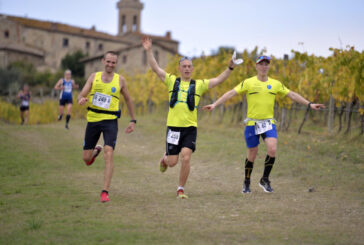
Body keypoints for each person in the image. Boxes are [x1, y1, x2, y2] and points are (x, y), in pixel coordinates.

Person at [203, 55, 325, 193]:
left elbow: (292, 95)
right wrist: (215, 104)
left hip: (268, 123)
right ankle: (247, 181)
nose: (264, 66)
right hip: (252, 123)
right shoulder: (248, 82)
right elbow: (231, 93)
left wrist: (310, 104)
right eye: (261, 64)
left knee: (272, 149)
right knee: (252, 154)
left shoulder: (275, 83)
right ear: (256, 66)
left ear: (269, 67)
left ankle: (264, 179)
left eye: (266, 64)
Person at [142, 36, 235, 199]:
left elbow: (219, 80)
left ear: (192, 69)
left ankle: (180, 189)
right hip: (173, 127)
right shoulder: (171, 81)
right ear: (179, 69)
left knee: (186, 157)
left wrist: (230, 68)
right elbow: (156, 68)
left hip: (190, 128)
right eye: (184, 66)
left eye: (189, 67)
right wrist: (149, 51)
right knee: (172, 163)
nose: (186, 69)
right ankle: (165, 158)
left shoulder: (199, 84)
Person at [78, 51, 136, 203]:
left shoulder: (120, 80)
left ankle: (105, 191)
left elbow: (128, 100)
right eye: (108, 61)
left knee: (109, 153)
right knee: (86, 159)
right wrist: (81, 99)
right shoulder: (93, 77)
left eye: (113, 62)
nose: (110, 65)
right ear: (103, 61)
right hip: (93, 120)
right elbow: (81, 94)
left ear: (116, 64)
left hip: (110, 121)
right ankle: (95, 151)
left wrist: (133, 120)